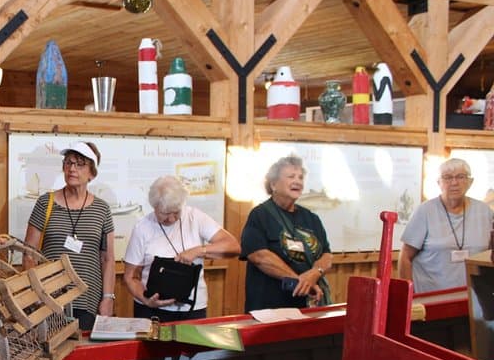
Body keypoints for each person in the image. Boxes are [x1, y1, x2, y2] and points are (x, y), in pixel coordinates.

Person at [23, 141, 115, 331]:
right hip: (50, 298)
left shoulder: (102, 209)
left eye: (80, 164)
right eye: (68, 163)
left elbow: (108, 259)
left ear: (92, 173)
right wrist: (37, 294)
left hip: (88, 300)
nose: (72, 169)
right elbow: (28, 253)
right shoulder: (45, 203)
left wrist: (108, 298)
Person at [123, 176, 239, 321]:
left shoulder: (195, 217)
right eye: (165, 213)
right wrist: (146, 300)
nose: (171, 219)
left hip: (192, 309)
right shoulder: (143, 227)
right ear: (154, 207)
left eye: (176, 212)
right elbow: (130, 276)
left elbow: (233, 246)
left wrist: (198, 251)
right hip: (151, 310)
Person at [240, 154, 332, 312]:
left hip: (308, 306)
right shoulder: (260, 215)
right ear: (274, 184)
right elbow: (259, 256)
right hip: (270, 307)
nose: (298, 181)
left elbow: (327, 255)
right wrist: (301, 282)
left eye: (301, 177)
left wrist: (314, 274)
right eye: (291, 176)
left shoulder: (312, 218)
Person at [399, 157, 493, 293]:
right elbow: (405, 257)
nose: (454, 182)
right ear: (439, 183)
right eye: (447, 177)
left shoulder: (484, 211)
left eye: (460, 177)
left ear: (470, 182)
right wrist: (408, 296)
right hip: (430, 299)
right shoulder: (425, 211)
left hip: (474, 299)